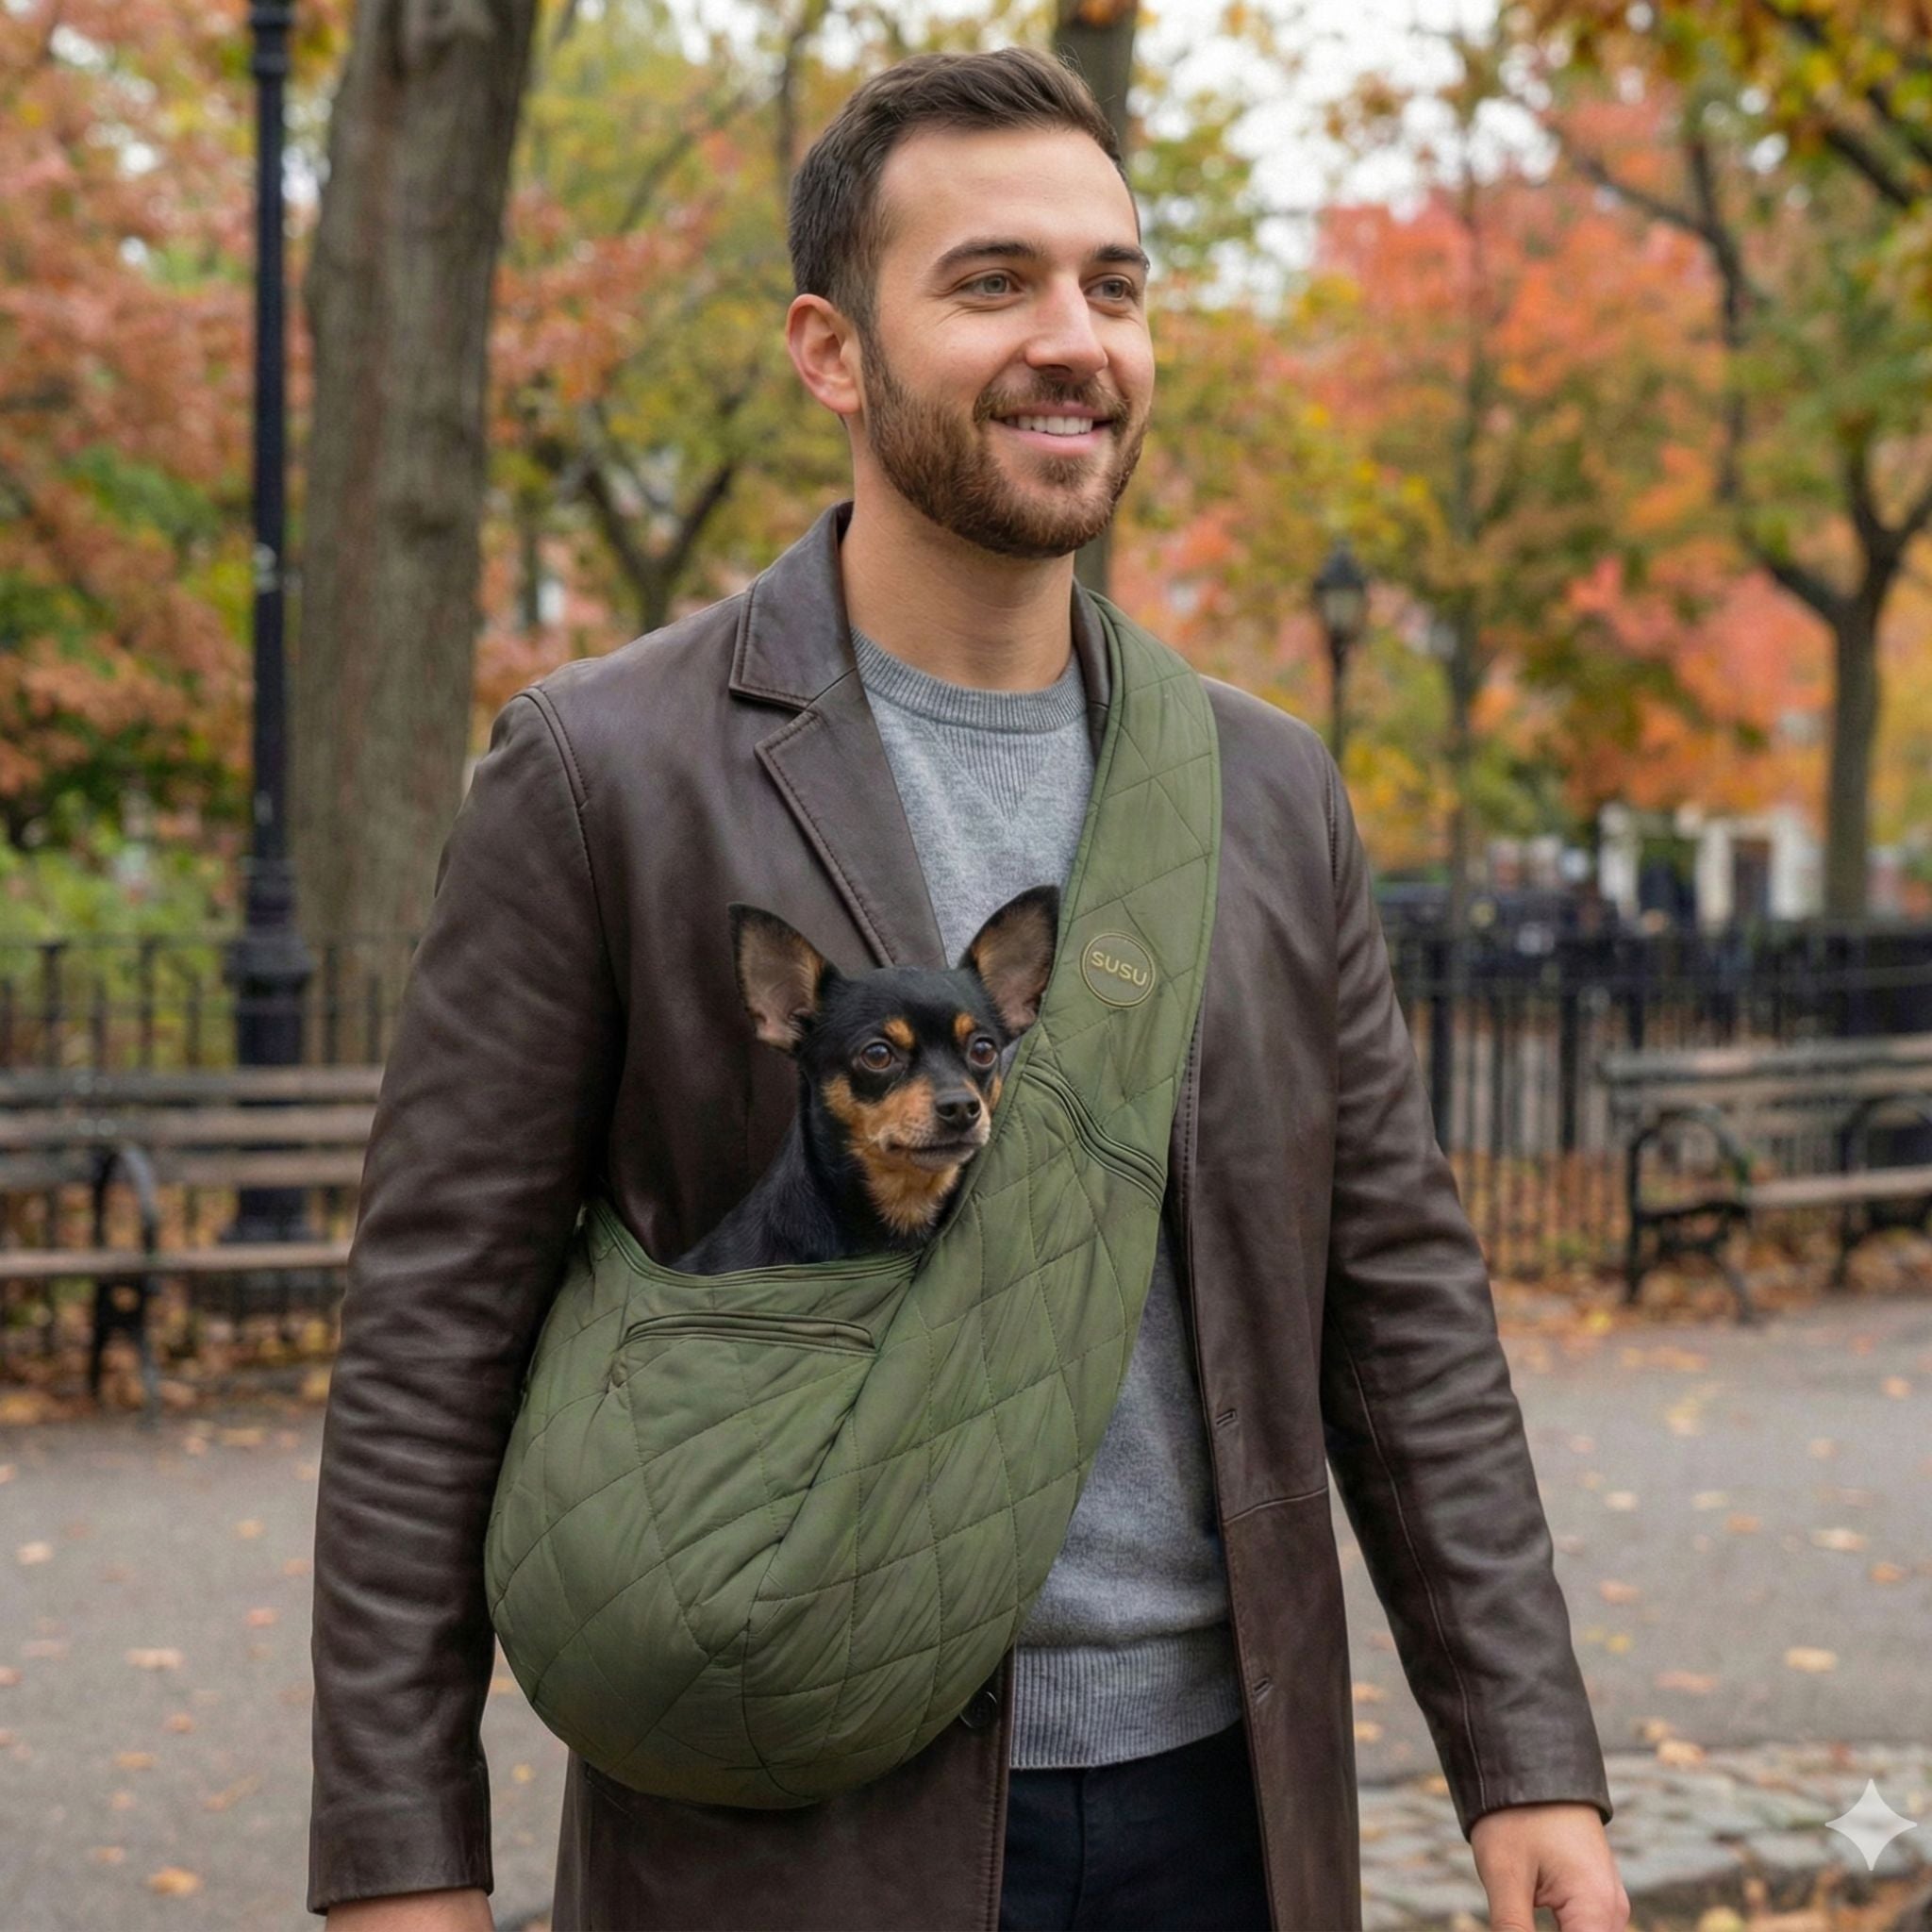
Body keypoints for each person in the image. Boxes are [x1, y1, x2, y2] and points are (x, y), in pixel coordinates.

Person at [309, 45, 1629, 1932]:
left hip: (1227, 1808)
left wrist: (1527, 1760)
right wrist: (400, 1859)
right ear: (829, 350)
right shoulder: (608, 771)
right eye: (991, 280)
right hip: (792, 1817)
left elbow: (1399, 1295)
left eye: (1114, 282)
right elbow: (432, 1332)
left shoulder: (1261, 792)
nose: (1074, 337)